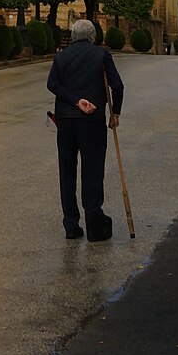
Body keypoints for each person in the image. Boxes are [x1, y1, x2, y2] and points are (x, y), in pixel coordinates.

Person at [46, 20, 124, 242]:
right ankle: (94, 225)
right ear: (92, 36)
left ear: (72, 36)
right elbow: (117, 86)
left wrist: (74, 100)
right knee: (92, 170)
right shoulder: (101, 55)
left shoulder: (61, 57)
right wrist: (115, 113)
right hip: (92, 121)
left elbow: (52, 84)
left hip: (66, 122)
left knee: (67, 172)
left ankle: (71, 225)